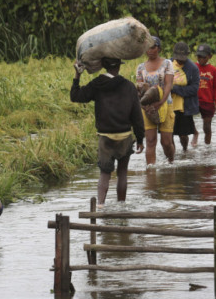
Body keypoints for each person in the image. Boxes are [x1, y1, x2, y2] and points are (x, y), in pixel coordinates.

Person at [70, 57, 144, 206]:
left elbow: (75, 96)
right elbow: (137, 116)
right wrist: (141, 139)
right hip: (124, 136)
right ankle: (121, 206)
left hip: (105, 137)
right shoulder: (129, 86)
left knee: (104, 173)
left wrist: (77, 75)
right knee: (122, 172)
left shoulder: (97, 84)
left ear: (103, 66)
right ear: (119, 67)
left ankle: (100, 205)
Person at [136, 36, 175, 165]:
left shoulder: (167, 64)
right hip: (148, 107)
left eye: (153, 47)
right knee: (150, 141)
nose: (150, 50)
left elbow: (168, 85)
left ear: (159, 48)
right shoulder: (140, 67)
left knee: (166, 142)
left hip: (165, 104)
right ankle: (150, 172)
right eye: (147, 47)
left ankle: (171, 161)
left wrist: (160, 102)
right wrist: (144, 106)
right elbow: (140, 88)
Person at [170, 42, 199, 151]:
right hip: (168, 105)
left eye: (183, 58)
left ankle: (185, 151)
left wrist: (174, 88)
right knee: (169, 135)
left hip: (184, 107)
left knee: (183, 135)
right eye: (178, 58)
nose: (180, 60)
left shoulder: (193, 68)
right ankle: (171, 156)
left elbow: (194, 89)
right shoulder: (167, 64)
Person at [193, 44, 216, 145]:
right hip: (194, 100)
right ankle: (195, 133)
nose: (200, 59)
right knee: (187, 118)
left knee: (207, 125)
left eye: (203, 57)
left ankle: (207, 145)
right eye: (198, 57)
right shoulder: (193, 67)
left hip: (208, 101)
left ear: (210, 56)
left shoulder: (213, 70)